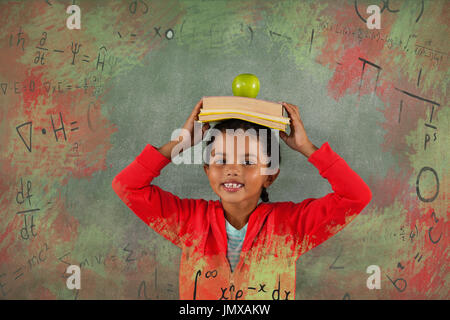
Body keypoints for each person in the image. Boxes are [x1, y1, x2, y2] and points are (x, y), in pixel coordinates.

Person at [112, 98, 372, 300]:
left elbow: (356, 196)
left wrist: (307, 147)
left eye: (247, 161)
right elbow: (127, 186)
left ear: (270, 176)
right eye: (221, 160)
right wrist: (180, 143)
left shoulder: (291, 227)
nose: (232, 169)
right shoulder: (188, 222)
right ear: (207, 170)